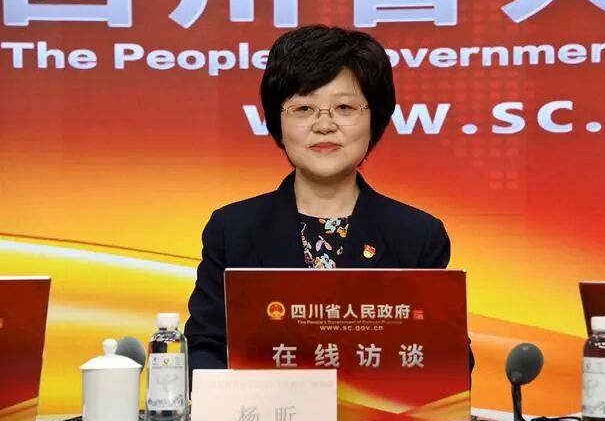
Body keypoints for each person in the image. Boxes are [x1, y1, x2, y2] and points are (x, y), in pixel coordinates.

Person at [185, 24, 471, 371]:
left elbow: (448, 362)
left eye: (344, 108)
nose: (324, 125)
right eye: (304, 109)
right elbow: (204, 349)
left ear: (374, 120)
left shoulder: (416, 236)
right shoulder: (233, 230)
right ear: (278, 122)